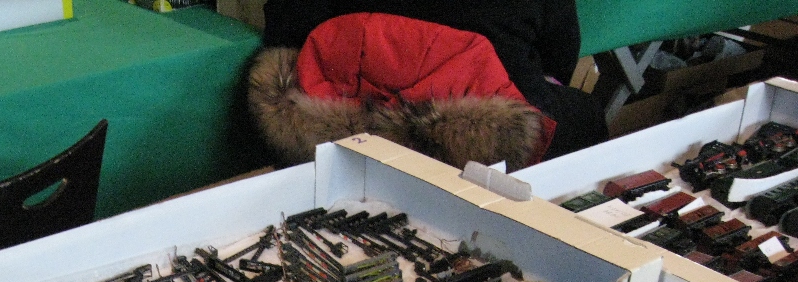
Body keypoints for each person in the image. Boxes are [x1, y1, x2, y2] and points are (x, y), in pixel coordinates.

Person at [250, 0, 608, 166]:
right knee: (585, 113)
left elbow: (286, 31)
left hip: (333, 124)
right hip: (487, 136)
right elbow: (559, 56)